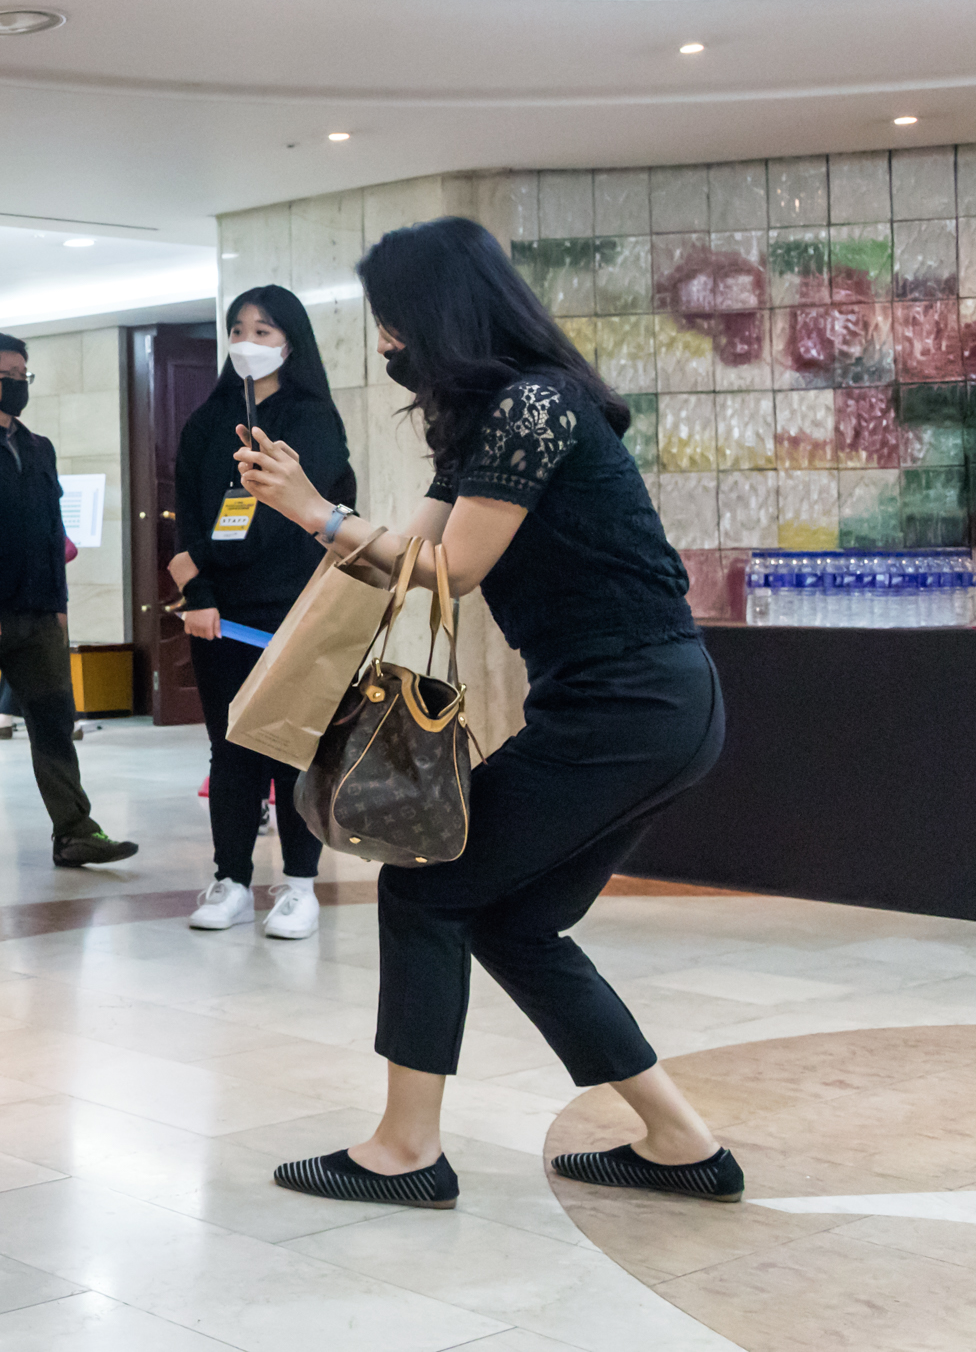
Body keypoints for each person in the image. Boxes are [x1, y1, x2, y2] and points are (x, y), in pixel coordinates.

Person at [236, 217, 737, 1210]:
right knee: (515, 922)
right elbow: (412, 558)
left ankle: (405, 1150)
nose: (388, 342)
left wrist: (315, 511)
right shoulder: (493, 421)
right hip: (638, 704)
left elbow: (452, 570)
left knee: (428, 889)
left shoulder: (533, 407)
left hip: (629, 704)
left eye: (393, 320)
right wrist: (318, 515)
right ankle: (683, 1143)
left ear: (439, 314)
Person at [168, 286, 351, 938]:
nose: (247, 342)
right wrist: (198, 590)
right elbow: (189, 513)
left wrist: (207, 556)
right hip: (219, 614)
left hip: (295, 608)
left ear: (290, 342)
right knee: (230, 748)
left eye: (264, 331)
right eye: (238, 329)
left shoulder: (312, 417)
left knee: (292, 746)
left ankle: (299, 886)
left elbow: (305, 515)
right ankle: (232, 881)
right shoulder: (208, 420)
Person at [0, 334, 138, 867]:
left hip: (37, 610)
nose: (19, 384)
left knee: (54, 719)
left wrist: (59, 603)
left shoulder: (40, 448)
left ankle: (75, 830)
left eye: (24, 376)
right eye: (10, 375)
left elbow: (52, 529)